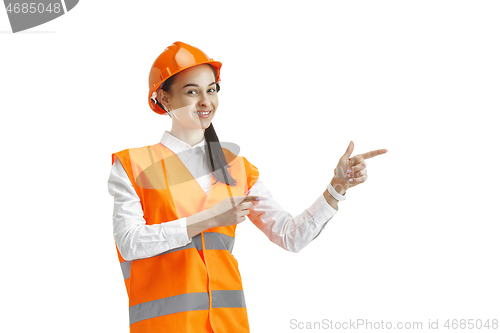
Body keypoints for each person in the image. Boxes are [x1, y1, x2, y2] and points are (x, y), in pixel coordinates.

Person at [107, 41, 388, 333]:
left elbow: (290, 235)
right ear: (164, 98)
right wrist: (209, 219)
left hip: (230, 325)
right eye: (192, 91)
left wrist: (336, 188)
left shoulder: (236, 169)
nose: (206, 101)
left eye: (212, 89)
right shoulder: (133, 165)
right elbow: (129, 243)